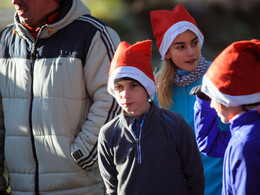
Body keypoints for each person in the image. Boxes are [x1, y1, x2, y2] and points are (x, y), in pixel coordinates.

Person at [0, 0, 121, 194]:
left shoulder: (94, 35)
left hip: (82, 188)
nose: (15, 1)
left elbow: (115, 99)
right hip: (20, 189)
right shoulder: (4, 40)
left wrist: (84, 155)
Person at [97, 40, 205, 195]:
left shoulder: (175, 125)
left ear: (147, 88)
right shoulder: (108, 134)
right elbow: (111, 187)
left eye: (133, 85)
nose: (125, 95)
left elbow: (195, 179)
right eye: (119, 87)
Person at [149, 4, 230, 195]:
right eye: (181, 47)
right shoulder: (156, 91)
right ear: (166, 52)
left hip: (222, 183)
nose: (191, 52)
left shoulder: (220, 75)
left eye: (194, 43)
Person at [192, 39, 260, 194]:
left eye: (213, 97)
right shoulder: (245, 132)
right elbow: (208, 144)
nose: (210, 105)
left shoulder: (245, 144)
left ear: (229, 100)